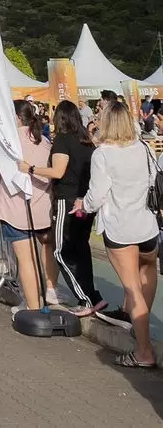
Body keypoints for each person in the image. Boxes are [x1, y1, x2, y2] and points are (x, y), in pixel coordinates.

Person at [84, 101, 160, 365]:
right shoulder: (144, 148)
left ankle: (143, 350)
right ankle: (142, 329)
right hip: (147, 223)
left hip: (120, 226)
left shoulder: (102, 154)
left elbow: (97, 194)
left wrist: (81, 205)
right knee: (147, 276)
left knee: (132, 289)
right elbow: (154, 181)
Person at [19, 100, 105, 318]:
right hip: (84, 200)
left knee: (61, 251)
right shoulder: (86, 141)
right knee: (81, 249)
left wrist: (30, 168)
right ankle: (92, 295)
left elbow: (58, 171)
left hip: (66, 200)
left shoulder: (63, 141)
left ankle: (85, 297)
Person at [0, 100, 62, 316]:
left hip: (15, 208)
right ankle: (47, 292)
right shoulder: (43, 140)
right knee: (42, 255)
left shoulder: (7, 143)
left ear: (16, 118)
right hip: (42, 207)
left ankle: (33, 305)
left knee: (26, 260)